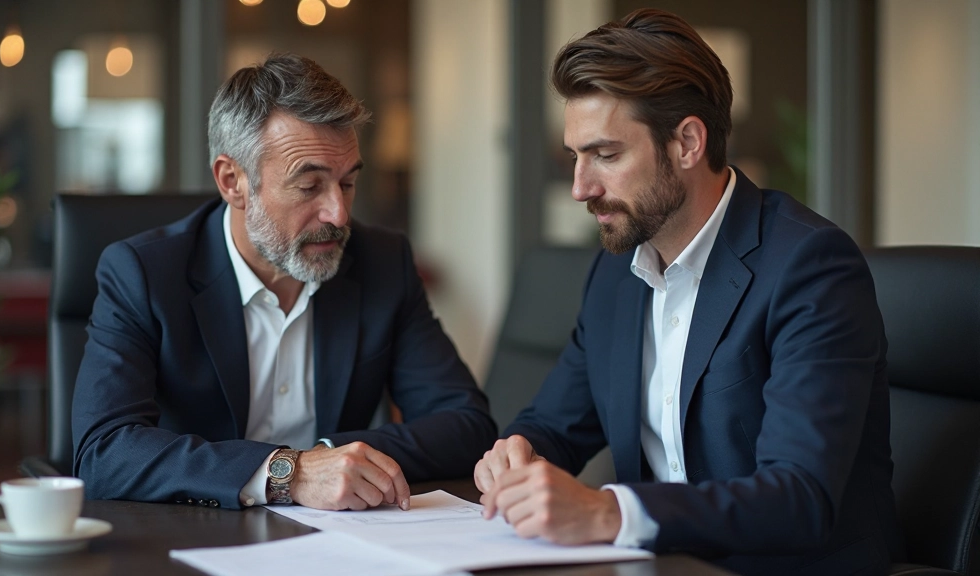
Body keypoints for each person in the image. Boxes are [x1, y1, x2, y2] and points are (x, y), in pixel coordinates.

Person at [474, 9, 901, 575]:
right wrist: (518, 452)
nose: (581, 187)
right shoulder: (615, 273)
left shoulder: (810, 267)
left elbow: (799, 496)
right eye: (575, 157)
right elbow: (555, 425)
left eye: (605, 155)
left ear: (688, 142)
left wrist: (610, 513)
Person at [72, 54, 496, 511]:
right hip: (196, 537)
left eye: (347, 183)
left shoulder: (381, 262)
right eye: (309, 187)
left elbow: (466, 425)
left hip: (338, 542)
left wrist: (333, 459)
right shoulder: (143, 273)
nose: (338, 214)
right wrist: (289, 473)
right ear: (232, 181)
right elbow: (105, 451)